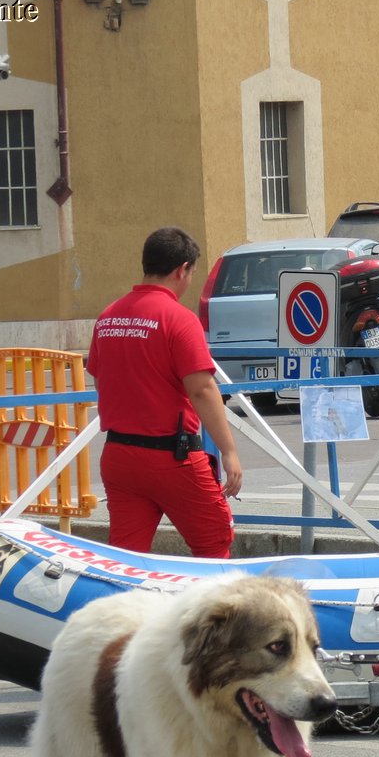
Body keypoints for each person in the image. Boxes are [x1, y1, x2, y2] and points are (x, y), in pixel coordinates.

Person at [87, 226, 244, 557]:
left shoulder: (108, 317)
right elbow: (202, 389)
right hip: (172, 458)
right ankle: (213, 611)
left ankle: (126, 608)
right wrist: (229, 452)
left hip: (119, 455)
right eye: (191, 273)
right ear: (182, 270)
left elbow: (102, 382)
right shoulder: (179, 319)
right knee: (214, 544)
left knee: (127, 556)